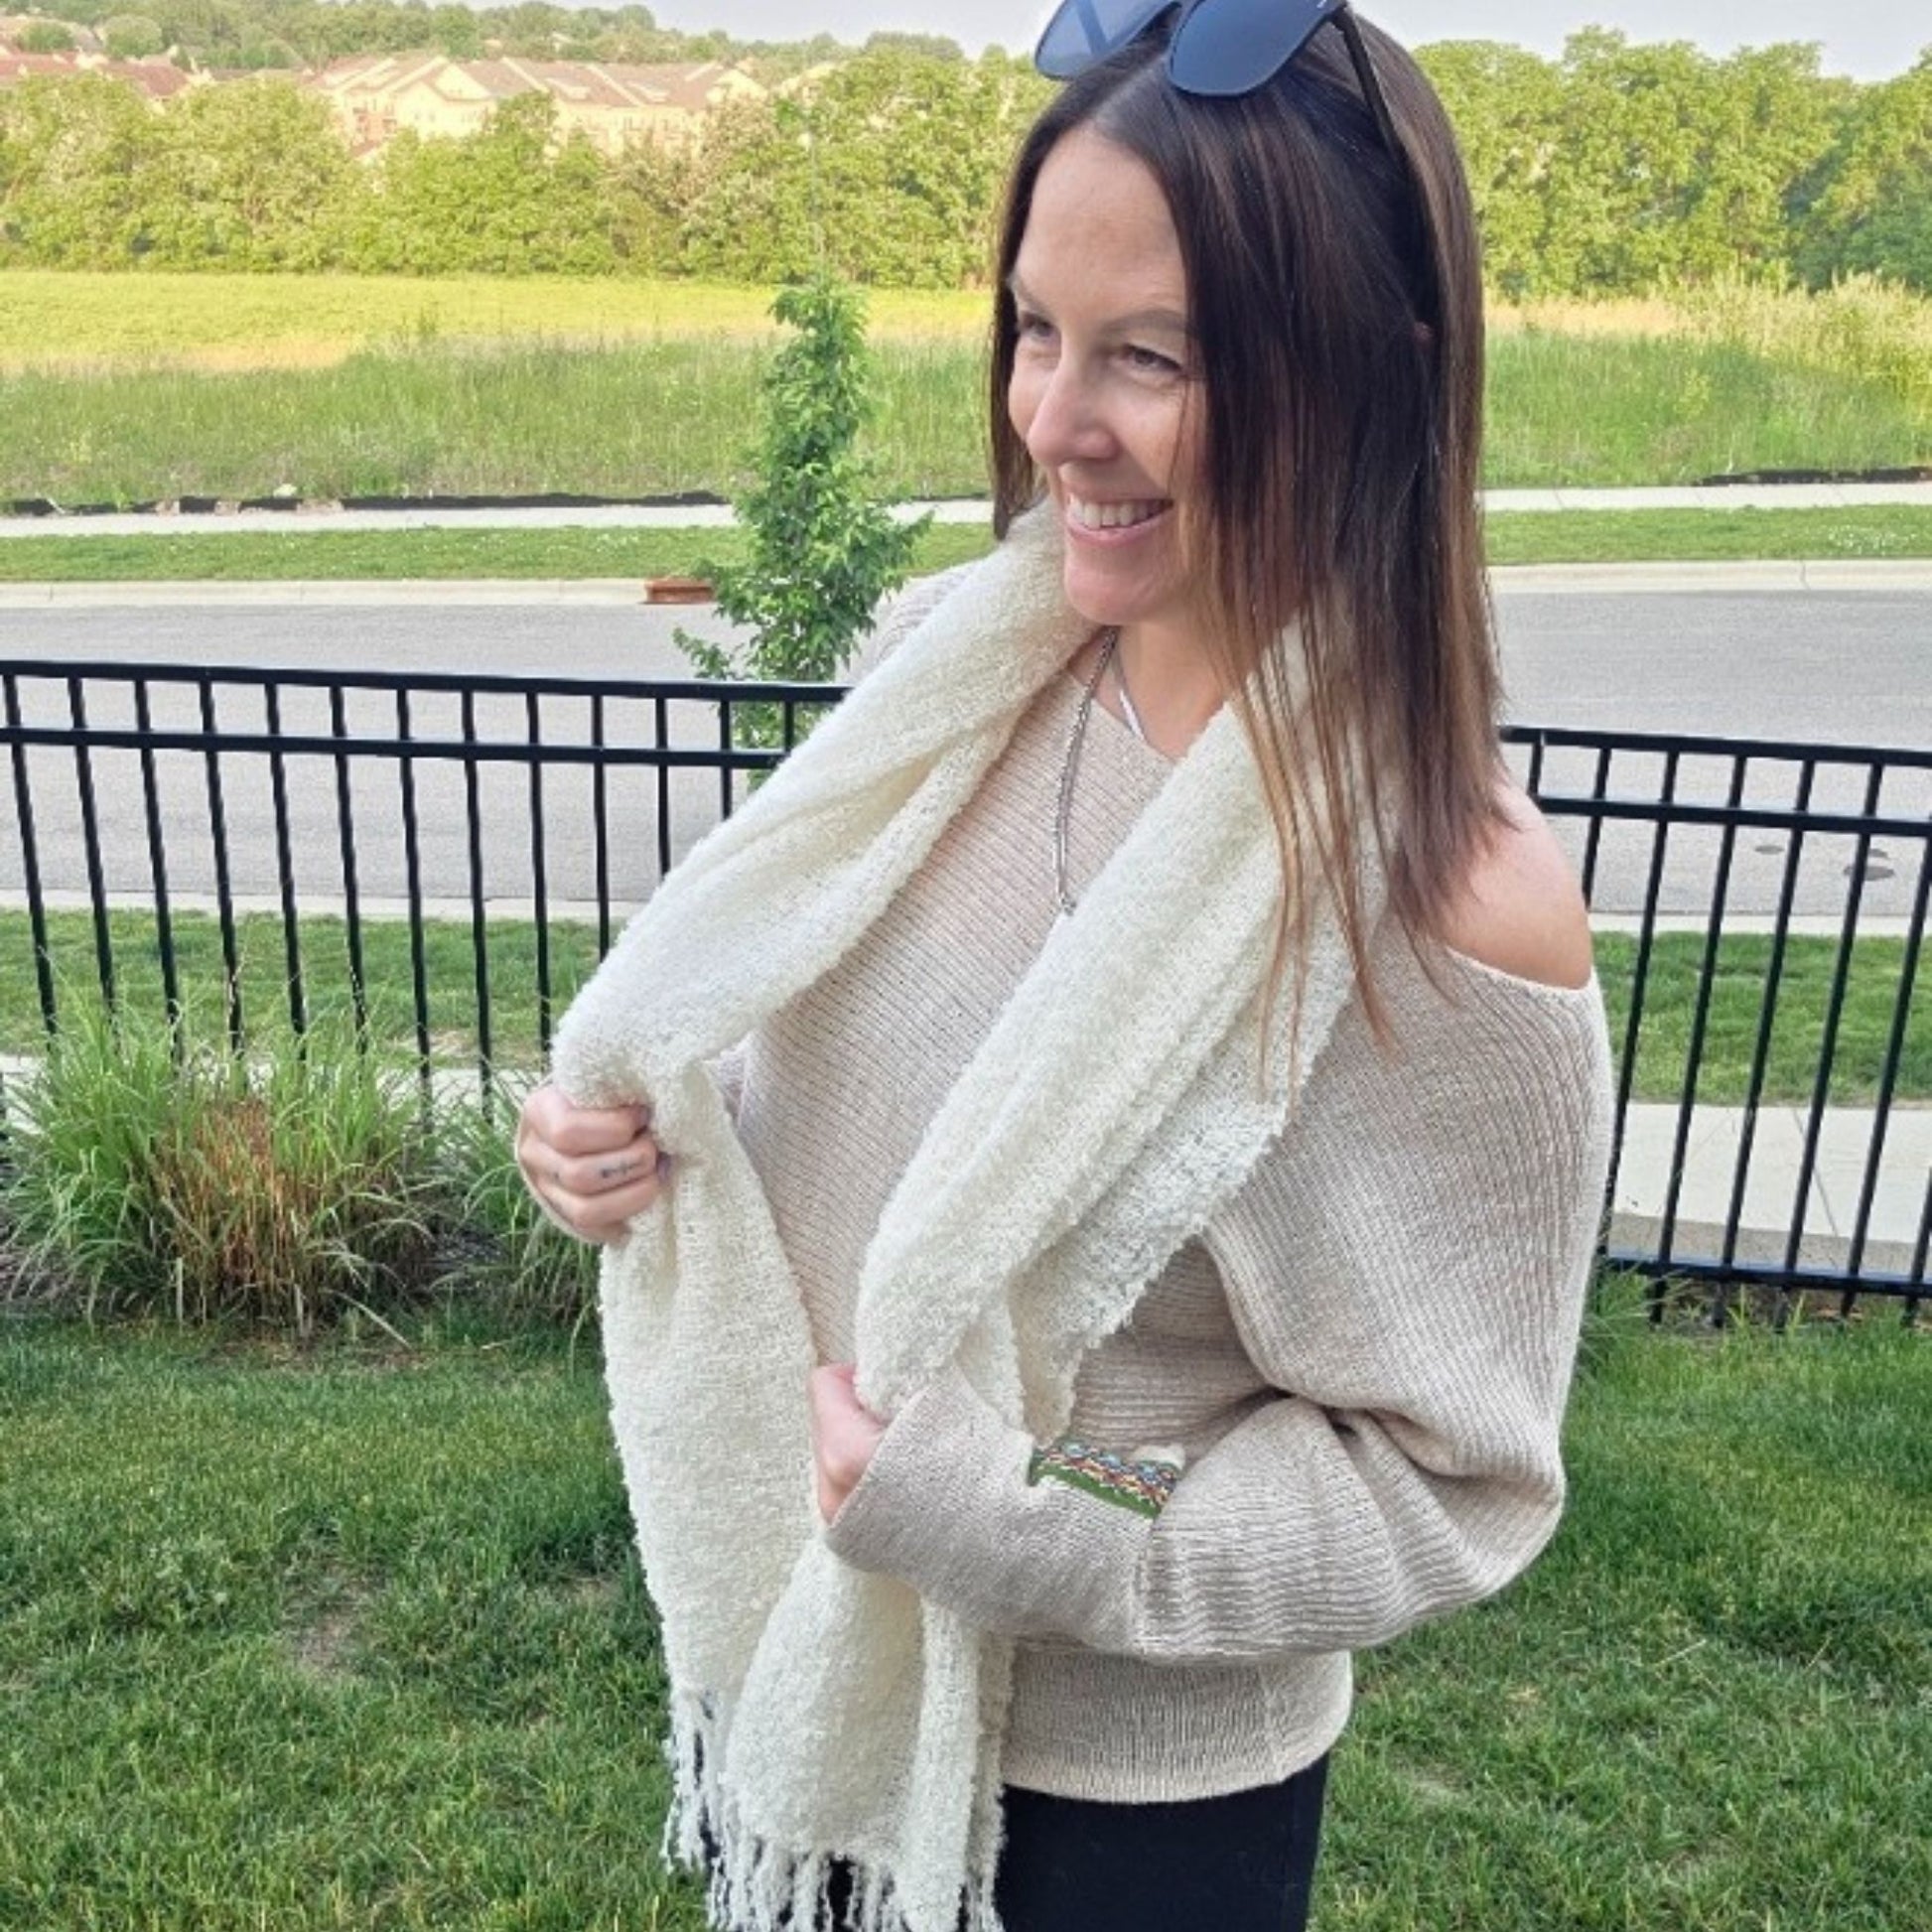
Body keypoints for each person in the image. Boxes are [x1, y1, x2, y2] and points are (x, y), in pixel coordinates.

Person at [516, 4, 1614, 1929]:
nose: (1050, 422)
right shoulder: (954, 675)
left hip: (1132, 1825)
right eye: (1034, 329)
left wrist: (1022, 1503)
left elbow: (1437, 1479)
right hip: (829, 1665)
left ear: (1371, 370)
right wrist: (636, 1143)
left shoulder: (1440, 898)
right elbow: (831, 1106)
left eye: (1151, 359)